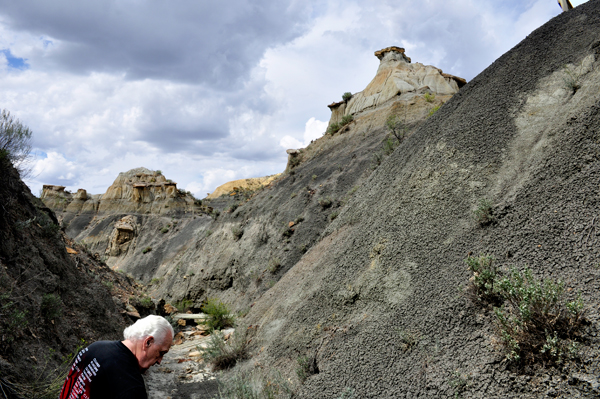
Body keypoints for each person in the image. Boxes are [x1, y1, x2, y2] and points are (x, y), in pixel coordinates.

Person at [59, 315, 174, 399]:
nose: (159, 361)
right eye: (161, 353)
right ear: (148, 342)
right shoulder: (130, 386)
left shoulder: (95, 348)